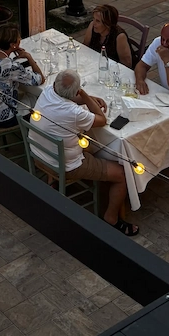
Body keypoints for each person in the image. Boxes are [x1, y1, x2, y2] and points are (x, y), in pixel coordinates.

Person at [33, 69, 138, 236]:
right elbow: (102, 120)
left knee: (85, 142)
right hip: (65, 166)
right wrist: (86, 96)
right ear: (76, 91)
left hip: (39, 155)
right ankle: (111, 218)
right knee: (123, 173)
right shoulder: (74, 113)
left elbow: (68, 98)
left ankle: (52, 181)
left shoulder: (47, 92)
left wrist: (87, 99)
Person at [0, 24, 44, 127]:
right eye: (18, 38)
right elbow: (39, 79)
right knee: (38, 98)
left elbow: (1, 66)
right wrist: (29, 57)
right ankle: (32, 132)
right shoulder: (11, 66)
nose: (20, 39)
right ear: (13, 44)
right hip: (0, 118)